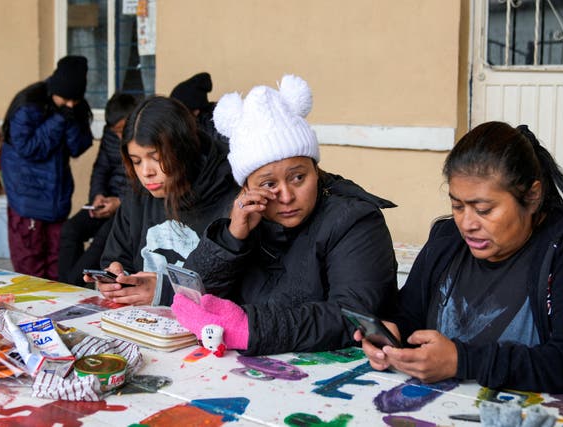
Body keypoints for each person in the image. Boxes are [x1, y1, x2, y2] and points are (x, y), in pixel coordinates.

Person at [356, 121, 563, 403]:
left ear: (532, 196)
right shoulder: (447, 240)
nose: (467, 224)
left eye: (484, 209)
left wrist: (462, 362)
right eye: (457, 206)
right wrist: (392, 335)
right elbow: (410, 313)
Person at [172, 74, 398, 356]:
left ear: (315, 170)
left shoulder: (355, 220)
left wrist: (249, 328)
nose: (287, 196)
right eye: (269, 184)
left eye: (298, 177)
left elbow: (353, 316)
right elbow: (196, 297)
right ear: (246, 187)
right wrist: (231, 239)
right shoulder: (246, 217)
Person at [86, 96, 238, 306]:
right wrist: (115, 278)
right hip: (142, 323)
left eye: (156, 158)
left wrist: (164, 292)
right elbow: (117, 257)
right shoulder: (138, 196)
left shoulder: (230, 196)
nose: (146, 172)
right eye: (136, 161)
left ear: (183, 149)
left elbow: (233, 288)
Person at [1, 55, 93, 280]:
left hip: (57, 199)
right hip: (28, 200)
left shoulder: (73, 108)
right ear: (55, 88)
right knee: (30, 267)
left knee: (56, 265)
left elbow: (78, 146)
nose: (71, 104)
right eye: (66, 99)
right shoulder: (29, 105)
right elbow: (29, 148)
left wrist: (70, 119)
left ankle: (54, 314)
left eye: (75, 100)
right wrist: (59, 120)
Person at [58, 93, 138, 287]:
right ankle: (66, 286)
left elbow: (142, 183)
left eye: (121, 130)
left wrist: (119, 202)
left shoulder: (144, 136)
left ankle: (72, 285)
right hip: (105, 201)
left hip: (129, 207)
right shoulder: (110, 134)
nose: (119, 136)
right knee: (70, 229)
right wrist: (97, 196)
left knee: (103, 240)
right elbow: (101, 169)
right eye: (115, 131)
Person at [170, 72, 226, 144]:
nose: (177, 117)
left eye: (181, 112)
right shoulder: (178, 125)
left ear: (196, 111)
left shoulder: (218, 122)